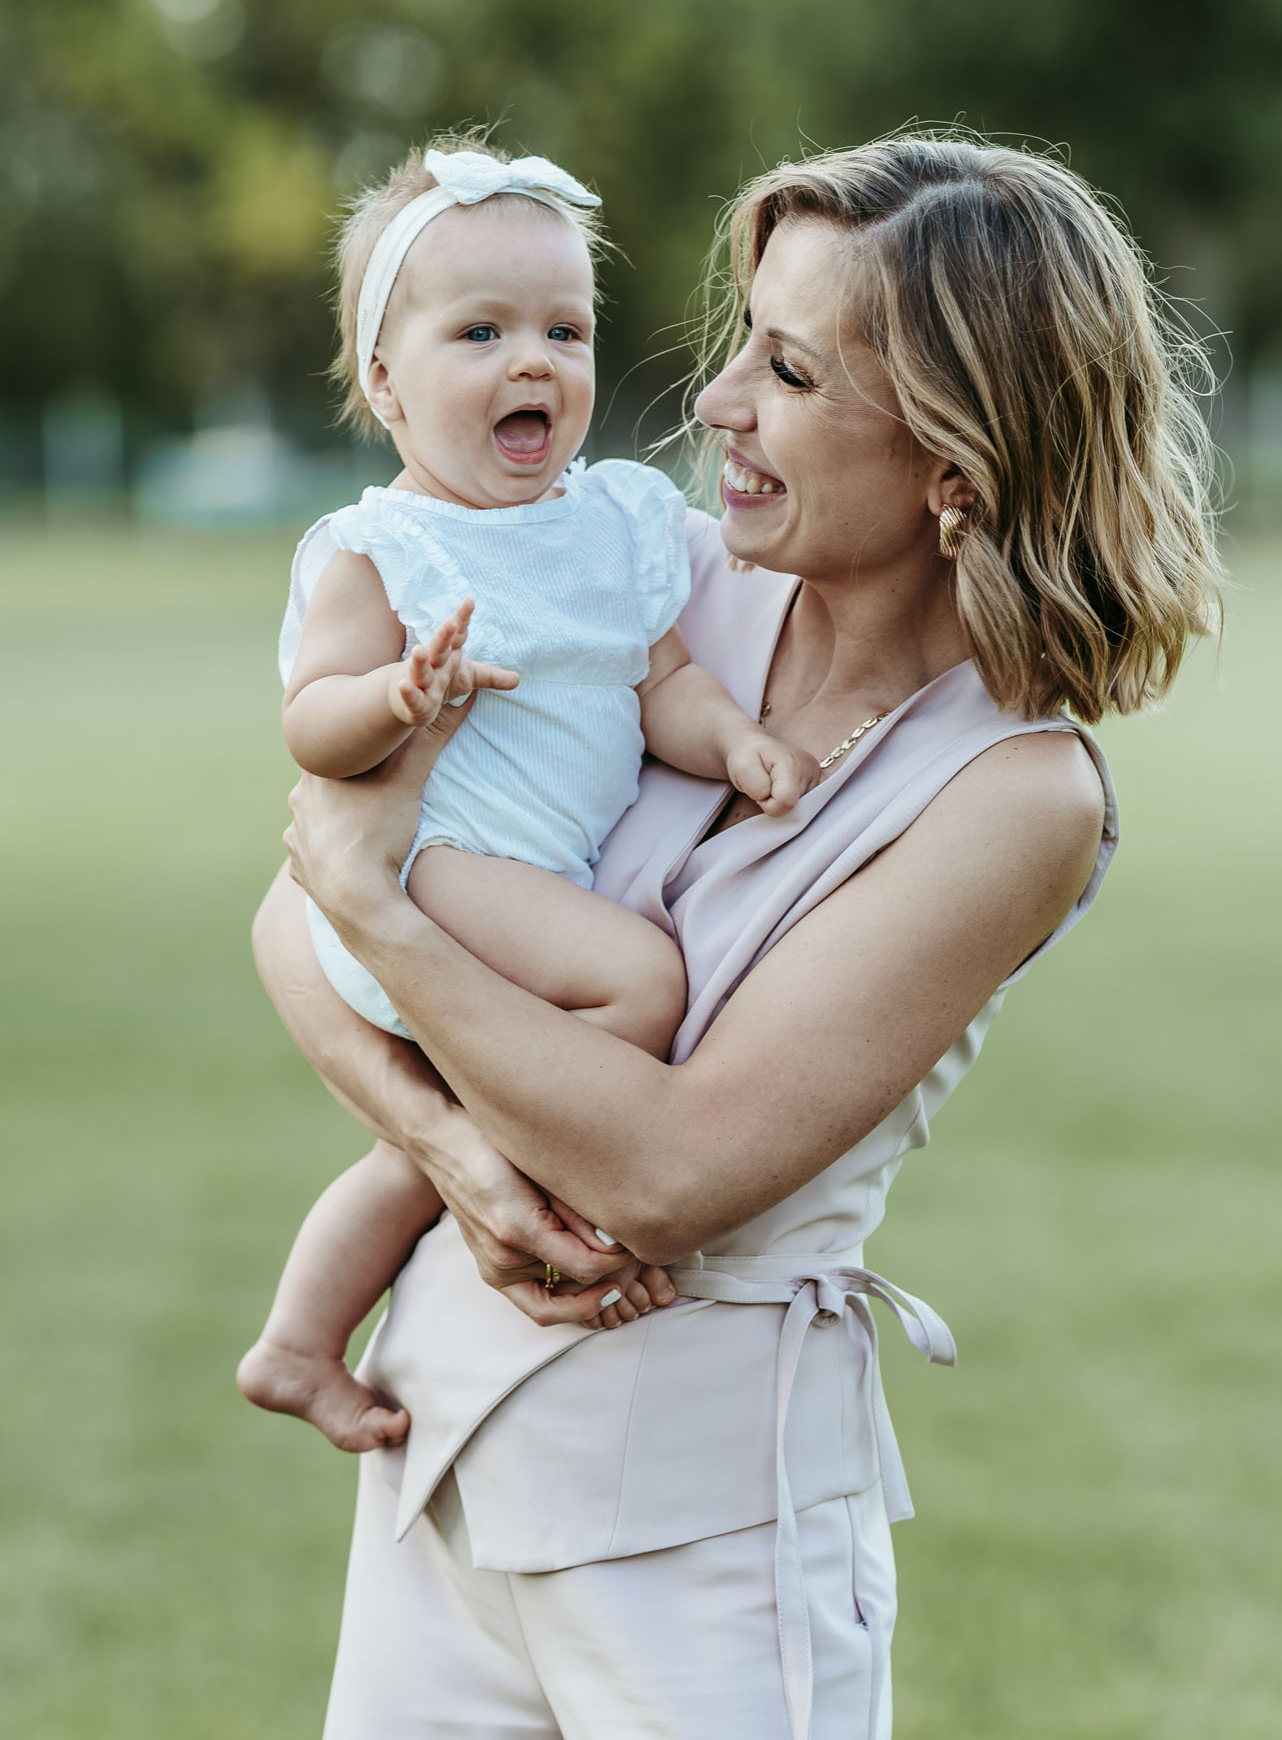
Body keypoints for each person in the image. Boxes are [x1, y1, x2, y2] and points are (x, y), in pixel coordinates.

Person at [253, 131, 1222, 1740]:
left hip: (705, 1541)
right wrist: (451, 1151)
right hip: (438, 1455)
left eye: (788, 370)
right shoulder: (654, 580)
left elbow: (668, 1173)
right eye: (740, 346)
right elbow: (289, 910)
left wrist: (376, 911)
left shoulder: (1013, 793)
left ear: (956, 463)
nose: (714, 403)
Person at [238, 135, 817, 1456]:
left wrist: (733, 741)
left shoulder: (613, 523)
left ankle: (297, 1344)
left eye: (565, 330)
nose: (534, 362)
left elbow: (662, 682)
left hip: (508, 890)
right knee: (642, 982)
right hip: (434, 862)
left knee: (417, 1155)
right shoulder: (385, 549)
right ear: (385, 381)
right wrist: (393, 700)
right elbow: (309, 722)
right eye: (480, 332)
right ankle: (558, 1177)